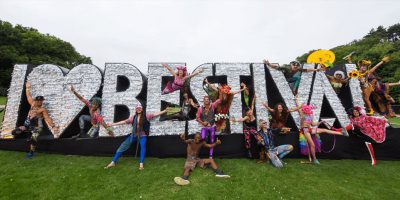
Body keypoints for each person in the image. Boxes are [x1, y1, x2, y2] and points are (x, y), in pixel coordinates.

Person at [105, 105, 169, 170]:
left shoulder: (146, 115)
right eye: (137, 108)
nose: (138, 109)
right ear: (136, 110)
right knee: (123, 146)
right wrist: (112, 124)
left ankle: (141, 164)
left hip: (142, 135)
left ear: (142, 109)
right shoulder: (133, 117)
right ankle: (113, 162)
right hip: (134, 135)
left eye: (140, 108)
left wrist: (165, 111)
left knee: (143, 147)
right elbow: (124, 122)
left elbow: (155, 114)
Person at [11, 82, 59, 159]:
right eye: (39, 101)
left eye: (42, 101)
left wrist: (53, 126)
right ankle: (28, 136)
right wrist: (27, 88)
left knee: (34, 137)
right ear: (36, 100)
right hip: (27, 126)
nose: (40, 102)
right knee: (14, 132)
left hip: (37, 127)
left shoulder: (42, 109)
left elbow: (47, 118)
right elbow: (28, 96)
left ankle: (31, 153)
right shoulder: (32, 104)